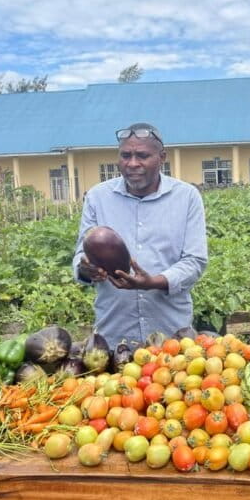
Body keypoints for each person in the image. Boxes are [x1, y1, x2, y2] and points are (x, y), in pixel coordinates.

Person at [73, 123, 208, 348]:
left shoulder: (186, 197)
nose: (132, 164)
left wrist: (153, 282)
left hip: (171, 335)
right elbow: (81, 254)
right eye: (126, 155)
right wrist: (86, 269)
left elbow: (195, 262)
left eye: (142, 156)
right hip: (114, 333)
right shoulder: (98, 197)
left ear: (161, 157)